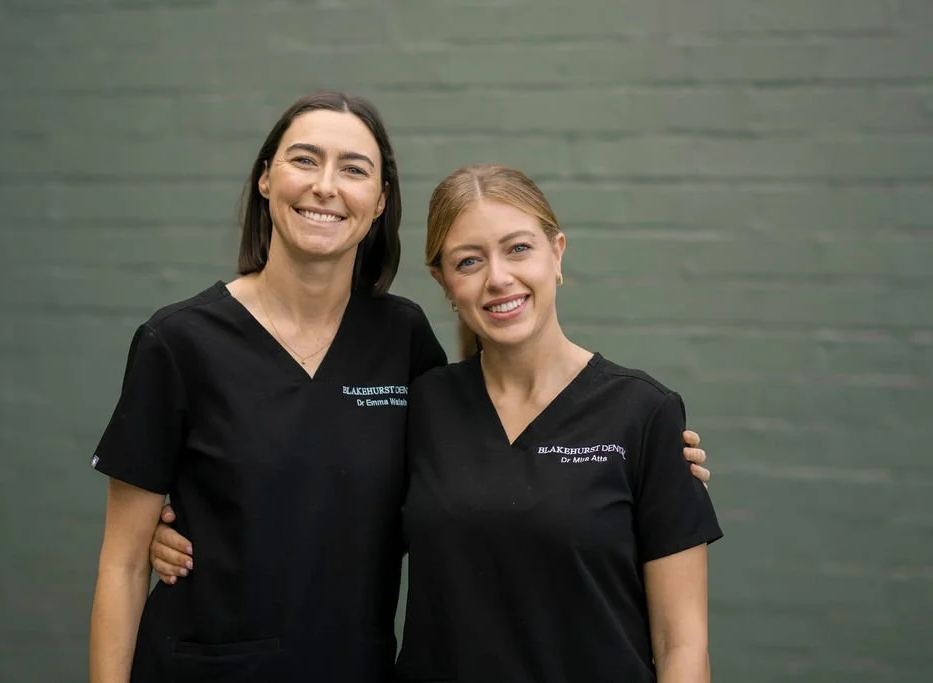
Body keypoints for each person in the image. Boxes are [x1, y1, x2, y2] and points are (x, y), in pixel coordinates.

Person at [91, 91, 710, 683]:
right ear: (265, 178)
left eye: (353, 168)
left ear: (380, 200)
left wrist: (651, 464)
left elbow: (481, 471)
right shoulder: (180, 342)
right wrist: (159, 535)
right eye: (304, 159)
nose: (325, 186)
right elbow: (123, 560)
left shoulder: (402, 340)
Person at [395, 164, 722, 682]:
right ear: (444, 282)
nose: (498, 278)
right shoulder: (422, 407)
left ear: (557, 253)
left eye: (518, 248)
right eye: (469, 261)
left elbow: (681, 642)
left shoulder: (642, 413)